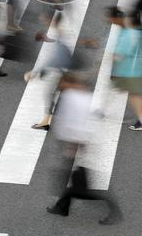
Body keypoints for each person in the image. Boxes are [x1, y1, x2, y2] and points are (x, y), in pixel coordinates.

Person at [46, 72, 122, 224]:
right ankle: (62, 207)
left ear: (69, 83)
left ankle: (114, 208)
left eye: (62, 83)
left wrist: (76, 146)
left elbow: (78, 124)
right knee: (71, 179)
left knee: (81, 189)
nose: (59, 86)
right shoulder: (71, 96)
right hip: (74, 144)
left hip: (79, 146)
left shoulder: (78, 99)